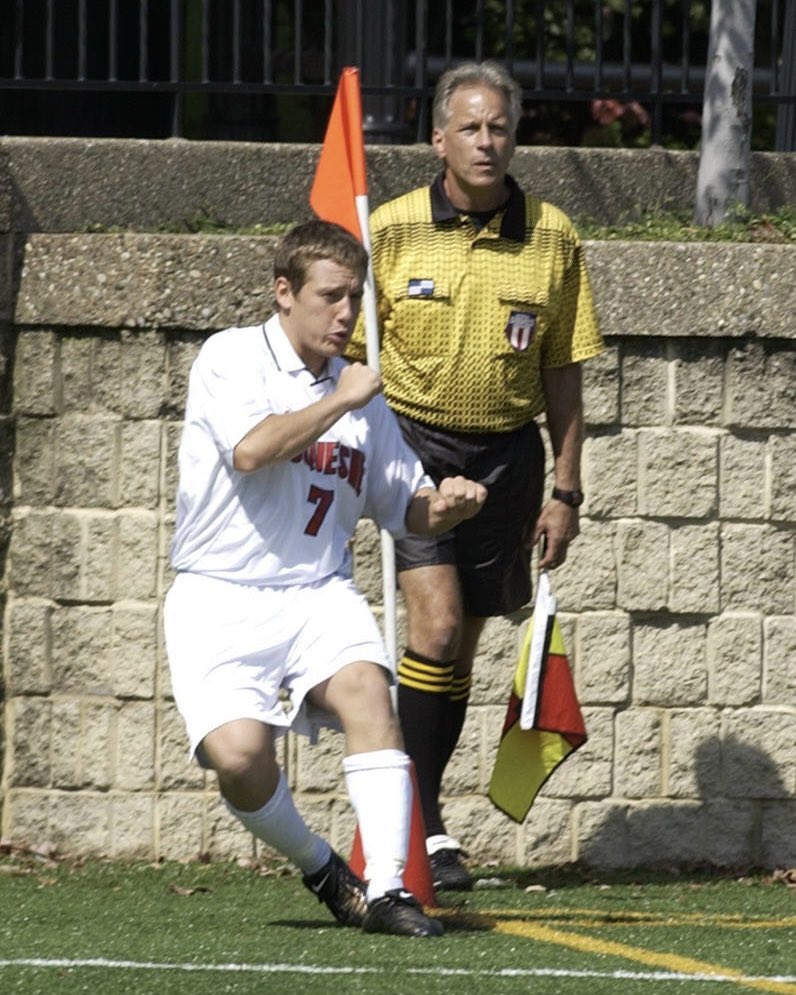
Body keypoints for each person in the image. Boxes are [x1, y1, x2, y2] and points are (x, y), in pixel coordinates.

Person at [164, 220, 487, 937]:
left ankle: (390, 890)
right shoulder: (232, 359)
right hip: (219, 591)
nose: (348, 313)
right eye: (332, 296)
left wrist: (448, 505)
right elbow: (252, 451)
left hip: (317, 591)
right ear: (284, 293)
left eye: (356, 296)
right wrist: (342, 397)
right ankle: (322, 867)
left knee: (371, 692)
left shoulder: (361, 395)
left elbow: (403, 506)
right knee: (239, 755)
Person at [346, 61, 604, 891]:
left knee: (460, 649)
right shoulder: (389, 228)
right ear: (438, 139)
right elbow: (350, 359)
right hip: (413, 446)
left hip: (508, 454)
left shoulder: (554, 235)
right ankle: (413, 825)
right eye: (470, 127)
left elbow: (563, 370)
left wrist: (566, 487)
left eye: (499, 128)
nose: (487, 142)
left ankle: (430, 818)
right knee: (436, 621)